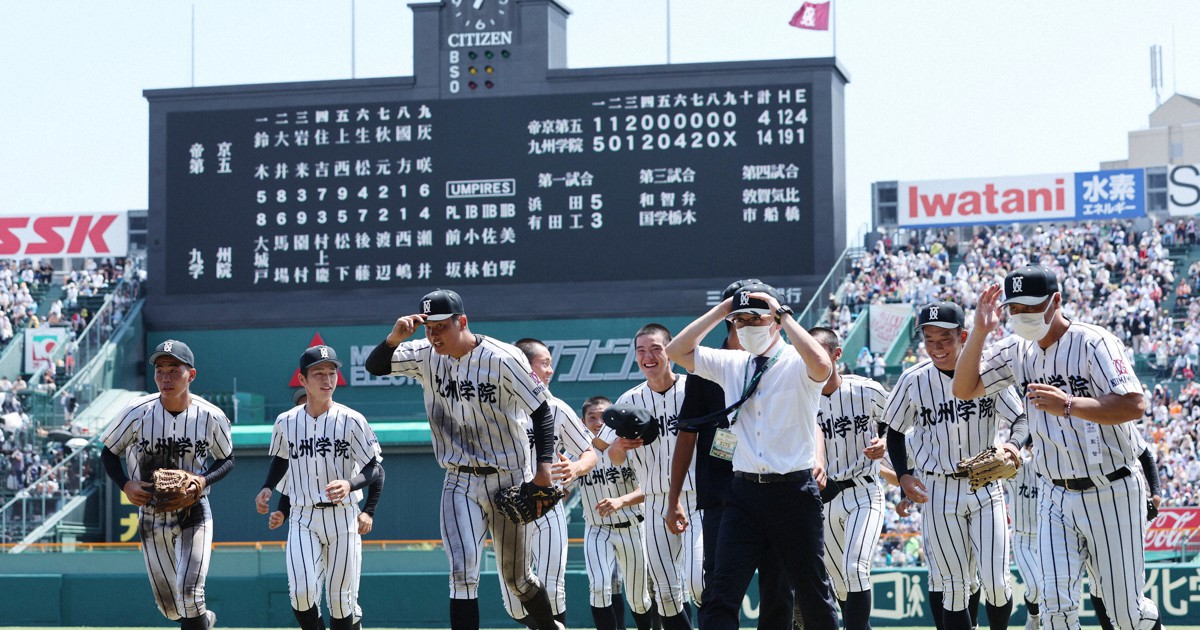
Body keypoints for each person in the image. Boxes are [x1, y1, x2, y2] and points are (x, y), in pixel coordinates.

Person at [953, 265, 1161, 630]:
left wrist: (1069, 404)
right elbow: (963, 388)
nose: (1023, 315)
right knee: (1055, 611)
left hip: (1111, 489)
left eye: (1032, 307)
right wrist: (980, 332)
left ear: (1056, 301)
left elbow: (1134, 404)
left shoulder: (1094, 342)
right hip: (1054, 494)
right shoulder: (1016, 350)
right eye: (1015, 309)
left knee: (1127, 614)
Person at [362, 288, 563, 630]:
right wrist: (394, 338)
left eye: (441, 326)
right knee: (462, 573)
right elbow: (376, 366)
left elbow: (542, 409)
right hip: (459, 479)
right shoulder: (425, 354)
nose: (434, 334)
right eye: (429, 327)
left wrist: (543, 468)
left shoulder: (503, 357)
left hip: (509, 477)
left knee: (518, 580)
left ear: (462, 321)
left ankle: (550, 628)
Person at [665, 281, 838, 630]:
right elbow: (676, 350)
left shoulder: (797, 361)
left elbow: (823, 366)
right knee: (721, 592)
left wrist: (783, 315)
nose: (746, 327)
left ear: (775, 320)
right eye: (740, 320)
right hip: (743, 494)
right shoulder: (732, 363)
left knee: (810, 593)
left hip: (793, 493)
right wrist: (723, 310)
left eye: (755, 319)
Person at [883, 301, 1025, 630]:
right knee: (954, 586)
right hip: (938, 489)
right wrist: (903, 475)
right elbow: (895, 431)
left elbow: (1021, 418)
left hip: (985, 485)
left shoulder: (988, 371)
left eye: (944, 339)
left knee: (996, 582)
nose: (936, 347)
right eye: (929, 339)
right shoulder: (913, 379)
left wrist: (1013, 445)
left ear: (963, 336)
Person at [100, 339, 234, 630]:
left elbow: (227, 459)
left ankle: (197, 615)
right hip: (152, 513)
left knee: (190, 594)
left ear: (191, 375)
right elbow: (108, 452)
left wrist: (202, 480)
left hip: (194, 509)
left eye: (174, 370)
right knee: (171, 609)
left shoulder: (211, 415)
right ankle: (204, 620)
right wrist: (125, 485)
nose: (165, 377)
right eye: (160, 370)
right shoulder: (137, 411)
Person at [254, 345, 382, 630]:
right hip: (303, 515)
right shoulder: (286, 421)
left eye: (332, 372)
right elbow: (281, 459)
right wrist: (267, 487)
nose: (327, 379)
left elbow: (375, 468)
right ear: (302, 379)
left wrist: (350, 484)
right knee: (301, 593)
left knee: (341, 601)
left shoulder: (352, 420)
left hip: (343, 516)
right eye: (319, 373)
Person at [592, 323, 702, 630]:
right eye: (641, 351)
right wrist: (618, 447)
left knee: (699, 582)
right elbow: (611, 456)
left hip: (697, 498)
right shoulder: (628, 401)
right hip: (654, 502)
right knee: (665, 592)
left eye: (655, 349)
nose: (648, 357)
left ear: (670, 351)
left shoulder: (694, 389)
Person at [498, 338, 598, 628]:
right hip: (509, 508)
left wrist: (576, 467)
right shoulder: (497, 407)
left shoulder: (556, 409)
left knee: (552, 586)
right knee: (514, 602)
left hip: (547, 506)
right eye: (545, 364)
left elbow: (590, 452)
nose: (551, 370)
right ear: (524, 367)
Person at [809, 326, 891, 630]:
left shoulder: (866, 389)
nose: (812, 360)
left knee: (856, 569)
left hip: (864, 490)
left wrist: (885, 440)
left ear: (836, 354)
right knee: (841, 585)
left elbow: (898, 421)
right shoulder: (802, 397)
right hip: (825, 498)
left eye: (819, 352)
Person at [577, 395, 656, 630]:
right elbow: (563, 487)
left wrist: (621, 501)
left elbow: (650, 488)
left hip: (632, 527)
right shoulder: (577, 452)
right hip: (597, 528)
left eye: (603, 416)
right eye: (592, 418)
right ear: (583, 422)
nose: (598, 423)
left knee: (638, 598)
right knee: (599, 588)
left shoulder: (632, 446)